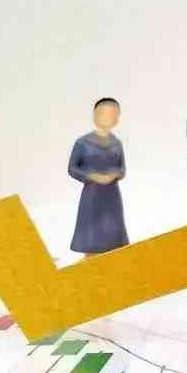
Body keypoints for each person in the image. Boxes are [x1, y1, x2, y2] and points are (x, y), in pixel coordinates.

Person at [68, 98, 129, 257]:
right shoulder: (83, 143)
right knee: (92, 235)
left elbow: (122, 169)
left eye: (115, 115)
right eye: (106, 114)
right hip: (93, 196)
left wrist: (115, 174)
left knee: (114, 236)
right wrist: (92, 176)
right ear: (96, 115)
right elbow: (73, 168)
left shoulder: (117, 143)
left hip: (112, 196)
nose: (110, 118)